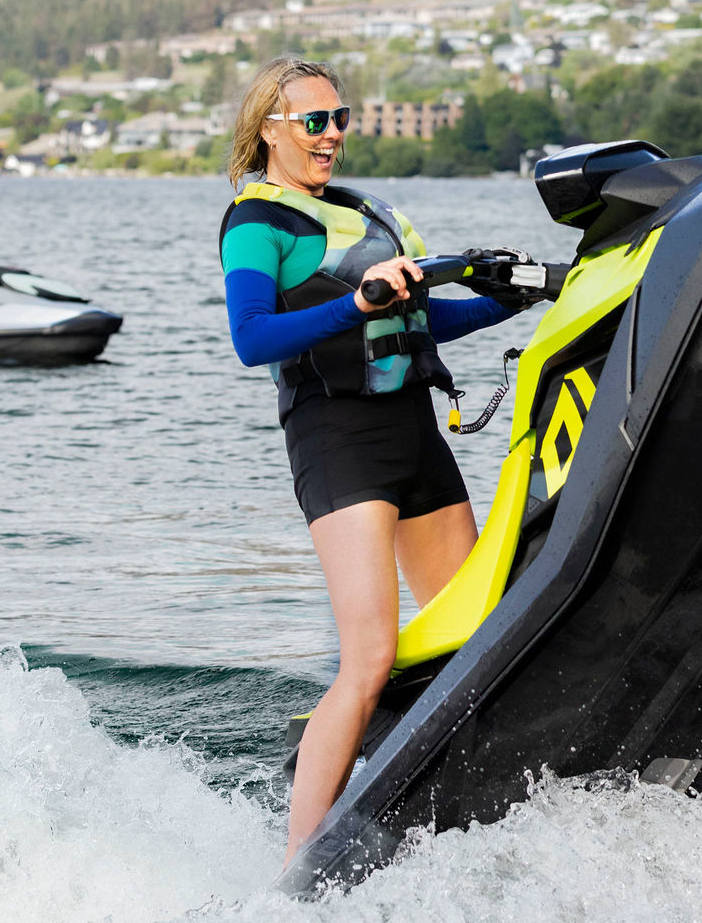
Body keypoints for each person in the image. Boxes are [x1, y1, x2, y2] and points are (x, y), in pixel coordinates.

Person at [218, 56, 526, 864]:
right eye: (314, 122)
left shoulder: (360, 212)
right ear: (269, 130)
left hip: (413, 436)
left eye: (341, 119)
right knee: (370, 658)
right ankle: (298, 869)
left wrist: (511, 300)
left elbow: (419, 323)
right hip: (337, 441)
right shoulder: (257, 222)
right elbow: (251, 337)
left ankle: (448, 815)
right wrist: (358, 301)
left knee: (474, 635)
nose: (333, 136)